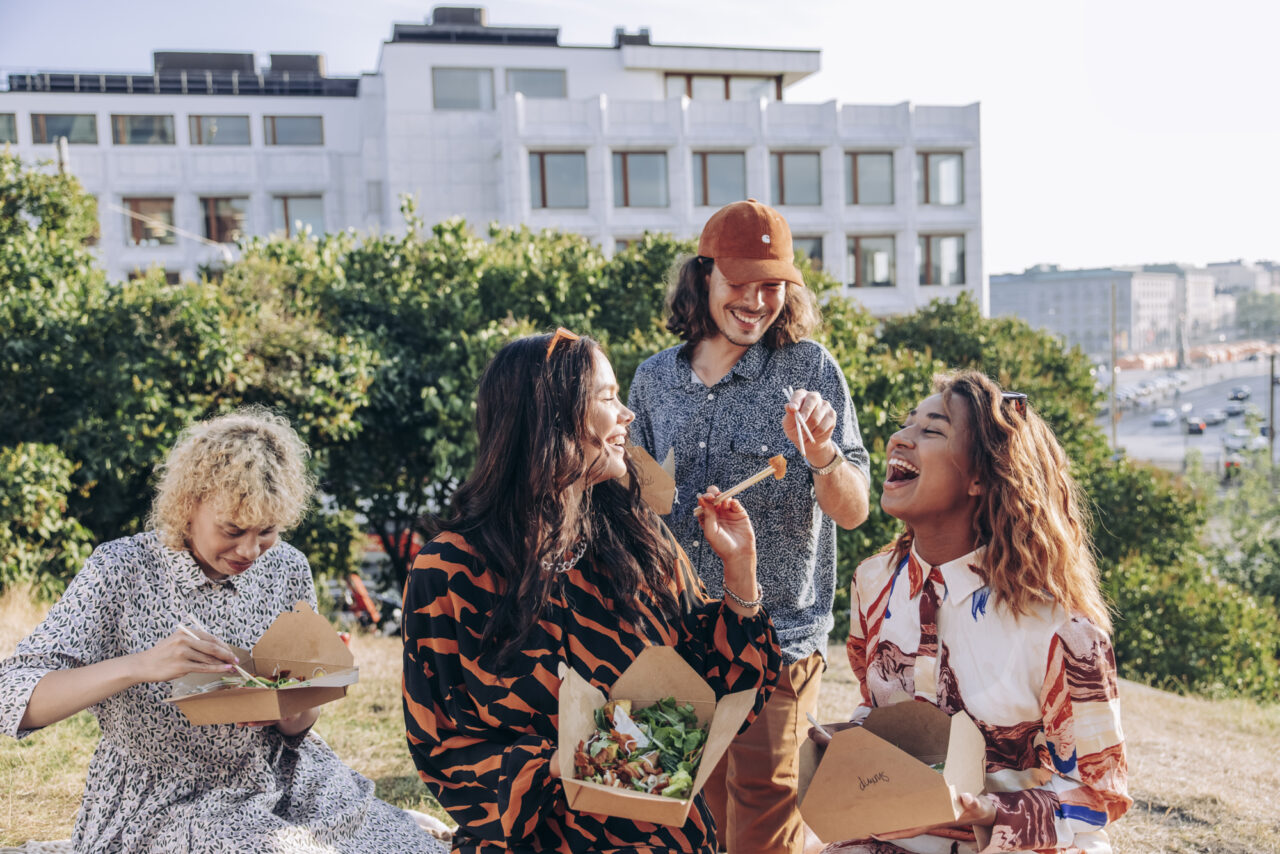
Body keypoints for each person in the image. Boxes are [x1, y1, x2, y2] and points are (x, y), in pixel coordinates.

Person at [401, 329, 782, 854]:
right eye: (607, 398)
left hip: (664, 841)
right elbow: (441, 747)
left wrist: (740, 573)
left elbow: (718, 695)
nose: (627, 414)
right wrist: (561, 760)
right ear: (550, 417)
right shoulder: (451, 570)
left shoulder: (636, 537)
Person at [0, 408, 447, 854]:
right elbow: (14, 697)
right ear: (187, 505)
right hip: (169, 801)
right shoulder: (120, 569)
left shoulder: (287, 566)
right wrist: (142, 666)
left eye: (267, 530)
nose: (250, 550)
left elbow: (297, 727)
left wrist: (297, 699)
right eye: (232, 529)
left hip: (288, 781)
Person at [628, 199, 871, 853]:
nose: (756, 301)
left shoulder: (809, 369)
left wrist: (821, 455)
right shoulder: (654, 381)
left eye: (773, 286)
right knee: (690, 819)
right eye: (740, 282)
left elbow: (853, 509)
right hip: (678, 637)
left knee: (764, 816)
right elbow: (633, 504)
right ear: (702, 275)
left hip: (781, 638)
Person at [812, 372, 1131, 853]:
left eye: (932, 430)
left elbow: (1099, 796)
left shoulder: (1063, 628)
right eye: (907, 424)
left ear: (980, 476)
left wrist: (989, 812)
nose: (900, 438)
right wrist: (848, 741)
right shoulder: (873, 582)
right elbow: (878, 710)